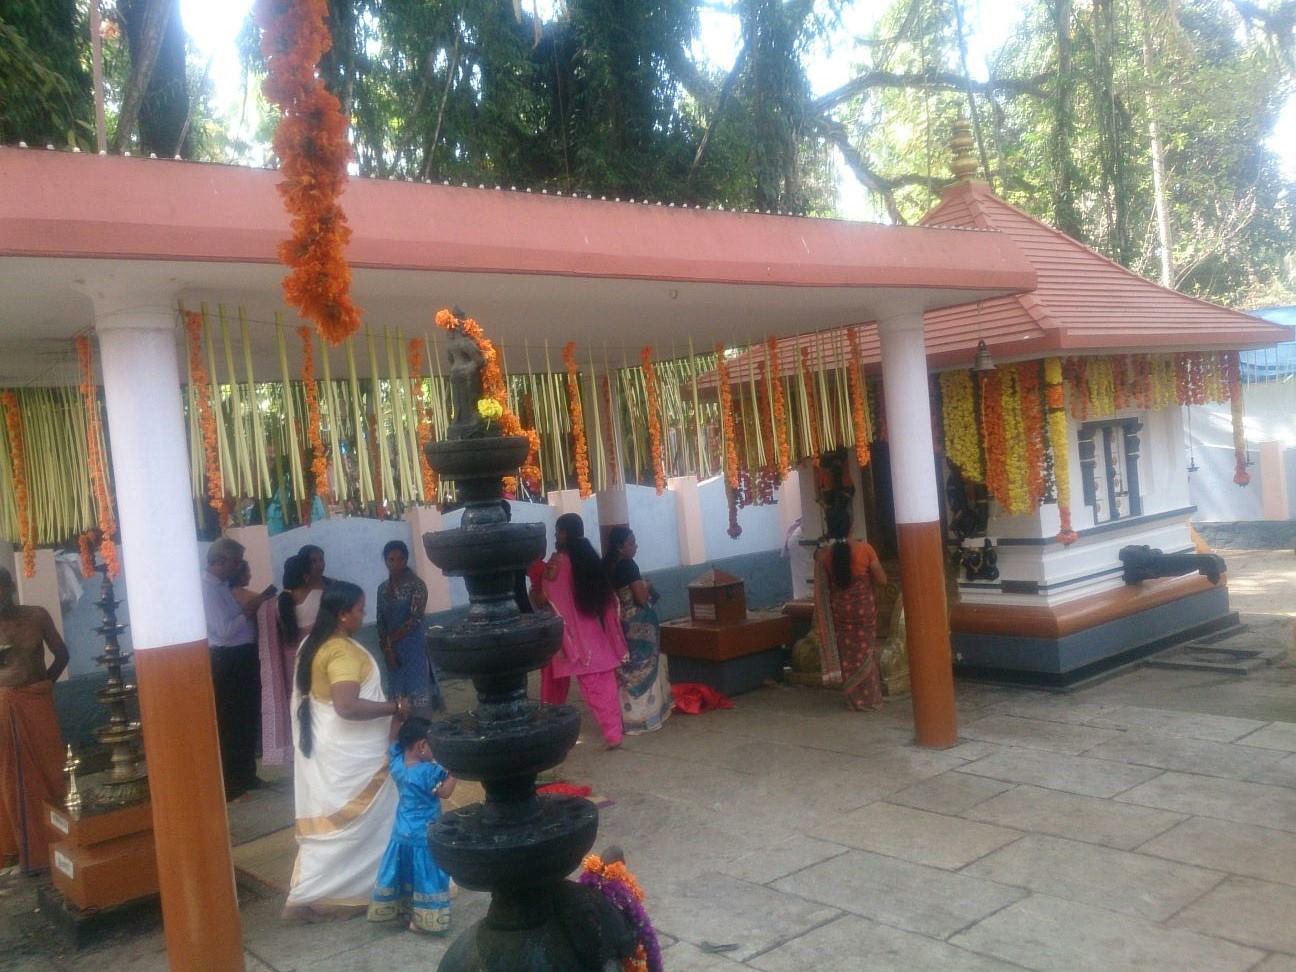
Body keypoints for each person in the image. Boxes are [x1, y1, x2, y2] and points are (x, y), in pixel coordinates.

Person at [285, 581, 408, 922]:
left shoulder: (313, 643)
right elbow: (347, 706)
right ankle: (339, 893)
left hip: (328, 749)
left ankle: (315, 892)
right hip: (351, 753)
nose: (363, 614)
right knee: (366, 818)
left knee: (334, 820)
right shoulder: (341, 652)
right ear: (342, 614)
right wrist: (393, 708)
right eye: (359, 609)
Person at [0, 568, 68, 873]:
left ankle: (58, 839)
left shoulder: (36, 616)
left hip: (38, 702)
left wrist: (46, 686)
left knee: (53, 770)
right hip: (4, 706)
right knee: (11, 778)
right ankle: (20, 848)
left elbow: (62, 655)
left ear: (10, 587)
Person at [540, 514, 627, 749]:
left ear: (564, 533)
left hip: (572, 637)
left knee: (577, 687)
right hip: (596, 634)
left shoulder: (557, 564)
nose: (555, 536)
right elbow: (607, 598)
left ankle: (551, 730)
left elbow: (544, 596)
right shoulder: (589, 557)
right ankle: (614, 731)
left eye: (558, 532)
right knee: (603, 685)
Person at [368, 716, 456, 934]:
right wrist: (455, 770)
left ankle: (404, 908)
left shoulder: (397, 765)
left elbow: (393, 743)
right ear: (422, 746)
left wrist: (398, 719)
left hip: (401, 833)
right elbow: (445, 792)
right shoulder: (428, 772)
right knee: (426, 876)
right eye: (434, 746)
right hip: (424, 835)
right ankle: (425, 921)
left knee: (406, 871)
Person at [202, 538, 275, 798]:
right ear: (221, 561)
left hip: (242, 656)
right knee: (230, 721)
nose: (238, 567)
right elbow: (222, 632)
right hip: (227, 658)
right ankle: (232, 781)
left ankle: (246, 773)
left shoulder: (222, 587)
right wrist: (248, 610)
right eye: (235, 562)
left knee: (247, 716)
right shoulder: (207, 589)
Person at [813, 506, 888, 711]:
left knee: (848, 654)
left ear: (830, 529)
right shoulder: (865, 550)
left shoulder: (825, 555)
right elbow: (882, 580)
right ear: (851, 526)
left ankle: (854, 700)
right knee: (865, 653)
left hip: (840, 613)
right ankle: (870, 700)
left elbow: (824, 586)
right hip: (863, 611)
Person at [604, 527, 672, 735]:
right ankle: (646, 719)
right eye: (631, 543)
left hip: (618, 621)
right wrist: (646, 585)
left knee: (626, 667)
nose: (635, 546)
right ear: (620, 547)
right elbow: (641, 599)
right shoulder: (628, 565)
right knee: (644, 665)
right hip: (637, 620)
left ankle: (626, 719)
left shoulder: (607, 566)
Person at [377, 541, 443, 714]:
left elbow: (415, 619)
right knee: (396, 686)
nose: (395, 564)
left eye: (400, 559)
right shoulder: (382, 589)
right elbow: (380, 620)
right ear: (385, 561)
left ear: (406, 560)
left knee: (417, 685)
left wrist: (390, 641)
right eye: (390, 560)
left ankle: (421, 725)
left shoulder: (417, 585)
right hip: (391, 647)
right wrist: (386, 648)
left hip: (413, 644)